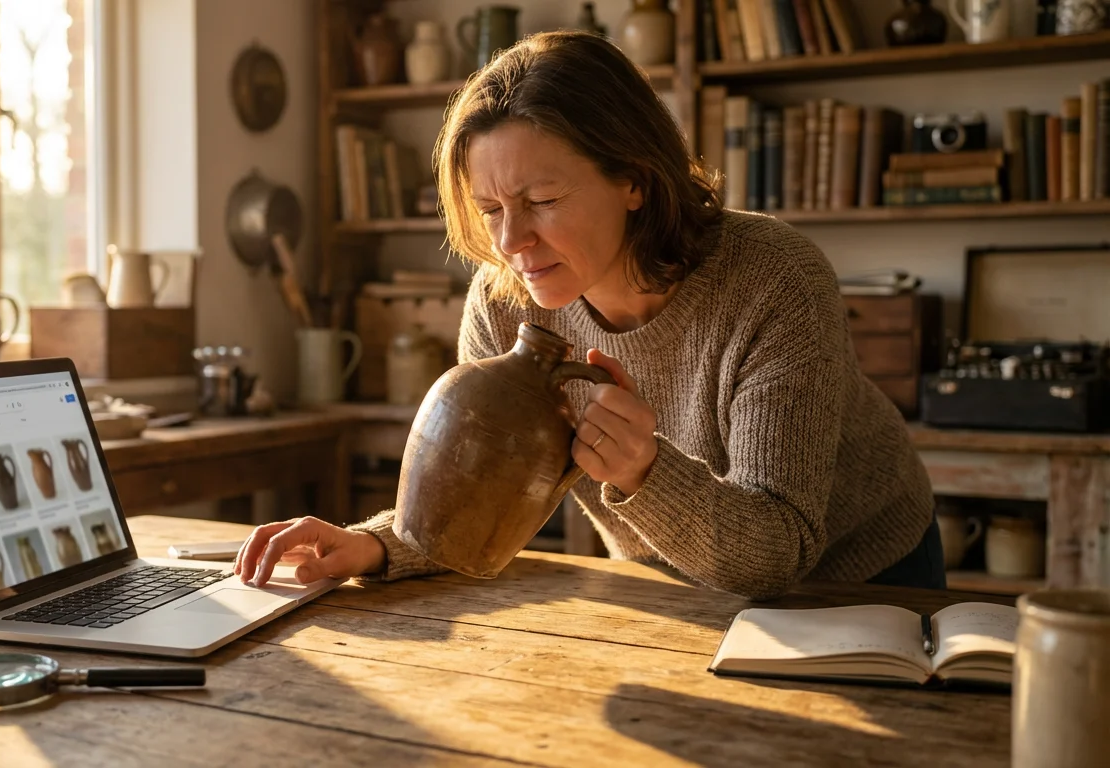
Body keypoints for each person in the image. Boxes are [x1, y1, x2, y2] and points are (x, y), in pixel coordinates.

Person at [233, 31, 942, 601]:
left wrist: (645, 472)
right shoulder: (504, 299)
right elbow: (470, 508)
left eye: (541, 200)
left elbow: (777, 552)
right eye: (489, 211)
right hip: (672, 585)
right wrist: (374, 545)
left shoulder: (773, 279)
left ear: (634, 178)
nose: (510, 243)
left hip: (862, 584)